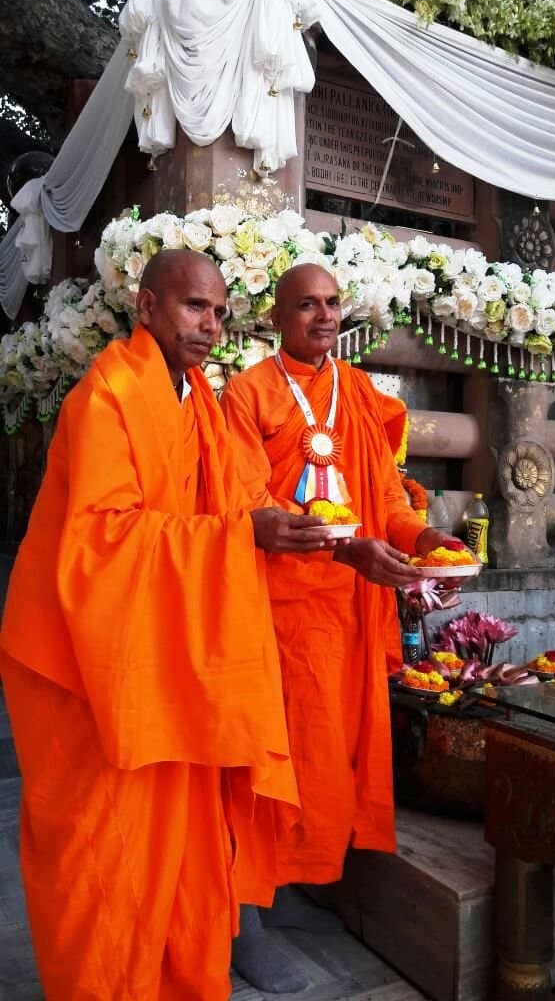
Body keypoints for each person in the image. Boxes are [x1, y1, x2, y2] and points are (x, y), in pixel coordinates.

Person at [0, 250, 335, 1001]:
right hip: (91, 667)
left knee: (180, 852)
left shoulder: (202, 404)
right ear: (146, 306)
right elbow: (102, 540)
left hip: (170, 662)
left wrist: (284, 524)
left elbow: (237, 501)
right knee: (103, 852)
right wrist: (235, 538)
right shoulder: (108, 396)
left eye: (218, 312)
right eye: (193, 307)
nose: (210, 325)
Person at [222, 263, 458, 992]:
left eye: (330, 305)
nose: (323, 318)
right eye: (305, 306)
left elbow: (384, 496)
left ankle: (288, 884)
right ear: (276, 318)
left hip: (345, 615)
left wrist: (423, 541)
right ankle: (240, 920)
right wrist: (345, 547)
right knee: (261, 764)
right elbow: (245, 500)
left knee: (325, 760)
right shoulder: (247, 393)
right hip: (271, 612)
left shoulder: (357, 392)